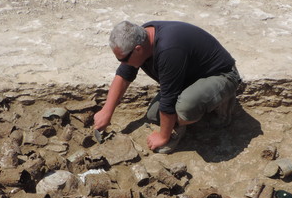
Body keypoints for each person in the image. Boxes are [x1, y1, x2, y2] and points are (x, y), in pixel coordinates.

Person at [93, 20, 241, 153]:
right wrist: (106, 111)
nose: (123, 63)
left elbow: (168, 100)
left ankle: (222, 102)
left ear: (138, 49)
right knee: (153, 115)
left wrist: (164, 136)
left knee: (185, 108)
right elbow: (124, 75)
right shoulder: (141, 38)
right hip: (190, 75)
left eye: (123, 59)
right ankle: (194, 106)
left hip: (222, 75)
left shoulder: (168, 50)